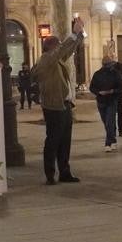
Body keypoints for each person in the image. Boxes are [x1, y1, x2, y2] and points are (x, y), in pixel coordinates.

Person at [34, 16, 85, 185]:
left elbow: (67, 51)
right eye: (57, 45)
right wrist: (73, 33)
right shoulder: (46, 60)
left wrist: (79, 37)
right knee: (53, 141)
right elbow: (62, 50)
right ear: (51, 47)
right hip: (54, 107)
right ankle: (50, 173)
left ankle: (65, 172)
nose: (59, 48)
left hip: (64, 105)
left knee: (65, 141)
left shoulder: (55, 60)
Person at [90, 56, 122, 152]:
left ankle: (108, 143)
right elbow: (92, 87)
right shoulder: (97, 74)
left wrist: (112, 91)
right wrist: (98, 92)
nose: (109, 66)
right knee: (106, 122)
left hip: (112, 101)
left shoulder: (116, 73)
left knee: (110, 121)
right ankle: (113, 140)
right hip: (101, 101)